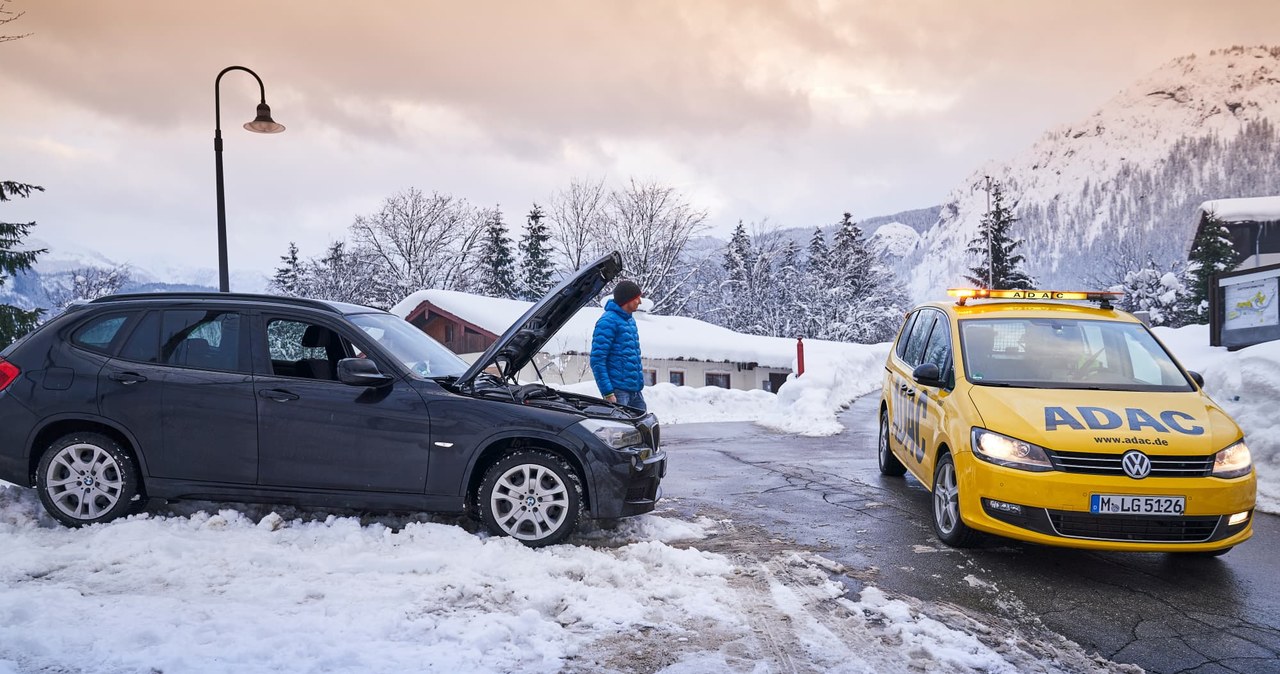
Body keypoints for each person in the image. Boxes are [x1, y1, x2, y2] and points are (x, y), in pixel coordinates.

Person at [591, 279, 646, 411]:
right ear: (627, 300)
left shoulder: (630, 320)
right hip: (618, 393)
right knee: (620, 430)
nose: (640, 301)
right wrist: (608, 393)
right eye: (637, 298)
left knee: (643, 428)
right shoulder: (607, 322)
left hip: (635, 392)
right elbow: (597, 360)